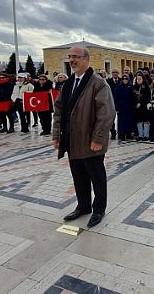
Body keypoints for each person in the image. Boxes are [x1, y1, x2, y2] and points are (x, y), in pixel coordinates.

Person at [53, 46, 116, 228]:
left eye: (76, 57)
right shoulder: (68, 84)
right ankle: (83, 206)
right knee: (78, 176)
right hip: (72, 141)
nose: (72, 60)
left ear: (86, 59)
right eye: (70, 57)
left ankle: (98, 209)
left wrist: (98, 139)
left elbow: (106, 114)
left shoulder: (98, 83)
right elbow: (59, 112)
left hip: (90, 142)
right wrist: (57, 135)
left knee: (96, 177)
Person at [114, 74, 134, 141]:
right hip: (121, 108)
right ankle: (122, 135)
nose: (125, 80)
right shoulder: (118, 87)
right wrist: (117, 108)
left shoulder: (131, 86)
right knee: (122, 122)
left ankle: (128, 134)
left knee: (129, 121)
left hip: (129, 107)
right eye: (123, 79)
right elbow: (116, 98)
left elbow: (133, 97)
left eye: (126, 78)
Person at [133, 74, 151, 141]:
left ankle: (146, 135)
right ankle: (140, 135)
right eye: (137, 79)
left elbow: (147, 97)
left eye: (140, 79)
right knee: (139, 121)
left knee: (145, 121)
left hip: (144, 106)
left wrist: (140, 103)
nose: (139, 80)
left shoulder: (146, 87)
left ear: (143, 79)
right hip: (137, 107)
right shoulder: (134, 87)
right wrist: (136, 103)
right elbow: (132, 97)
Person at [106, 68, 121, 139]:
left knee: (120, 118)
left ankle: (121, 132)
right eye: (113, 72)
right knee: (111, 118)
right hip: (110, 102)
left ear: (118, 73)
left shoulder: (121, 81)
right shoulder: (108, 81)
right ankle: (113, 132)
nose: (115, 73)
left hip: (119, 102)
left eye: (116, 72)